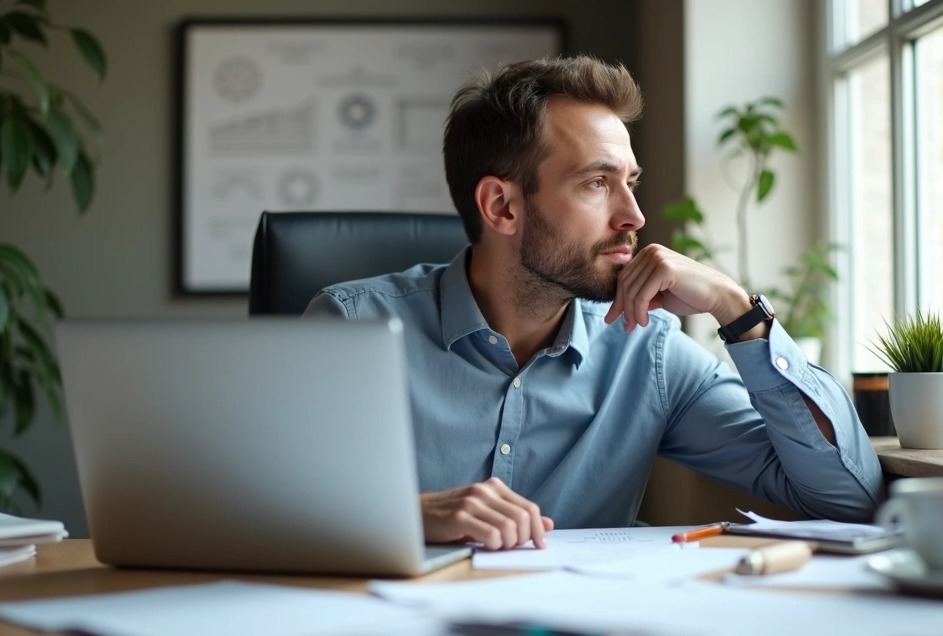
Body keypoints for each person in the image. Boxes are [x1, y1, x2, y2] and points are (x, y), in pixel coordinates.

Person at [304, 55, 882, 551]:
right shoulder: (352, 329)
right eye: (597, 183)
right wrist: (410, 514)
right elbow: (245, 507)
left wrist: (738, 311)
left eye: (630, 181)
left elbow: (847, 499)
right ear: (501, 206)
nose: (634, 216)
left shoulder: (648, 353)